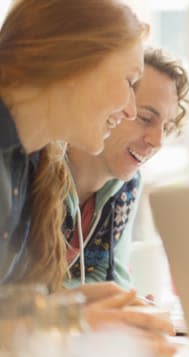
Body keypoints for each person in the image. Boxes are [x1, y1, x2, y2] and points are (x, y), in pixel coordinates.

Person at [0, 0, 174, 355]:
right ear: (75, 63)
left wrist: (68, 304)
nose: (128, 107)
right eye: (129, 81)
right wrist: (68, 323)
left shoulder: (26, 163)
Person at [63, 48, 189, 290]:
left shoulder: (127, 186)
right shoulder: (37, 171)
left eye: (167, 126)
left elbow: (111, 279)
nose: (158, 141)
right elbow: (20, 287)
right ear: (110, 106)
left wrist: (129, 305)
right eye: (145, 118)